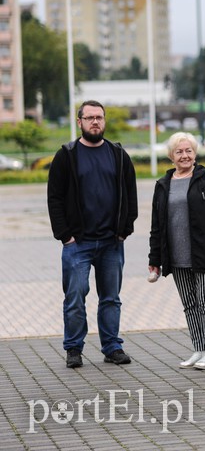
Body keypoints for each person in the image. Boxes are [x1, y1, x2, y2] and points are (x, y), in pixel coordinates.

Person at [47, 100, 138, 369]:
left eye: (99, 117)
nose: (95, 122)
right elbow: (55, 198)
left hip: (111, 242)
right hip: (78, 243)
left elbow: (131, 194)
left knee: (111, 298)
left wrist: (125, 229)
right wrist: (65, 235)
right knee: (75, 297)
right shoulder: (67, 155)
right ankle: (74, 349)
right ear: (80, 122)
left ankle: (112, 347)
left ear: (104, 121)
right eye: (89, 118)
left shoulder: (118, 154)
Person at [148, 132, 205, 370]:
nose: (184, 156)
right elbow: (156, 225)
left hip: (204, 254)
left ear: (195, 153)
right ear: (171, 156)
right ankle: (199, 348)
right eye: (179, 152)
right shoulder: (163, 185)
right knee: (190, 305)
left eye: (189, 151)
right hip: (176, 255)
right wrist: (155, 259)